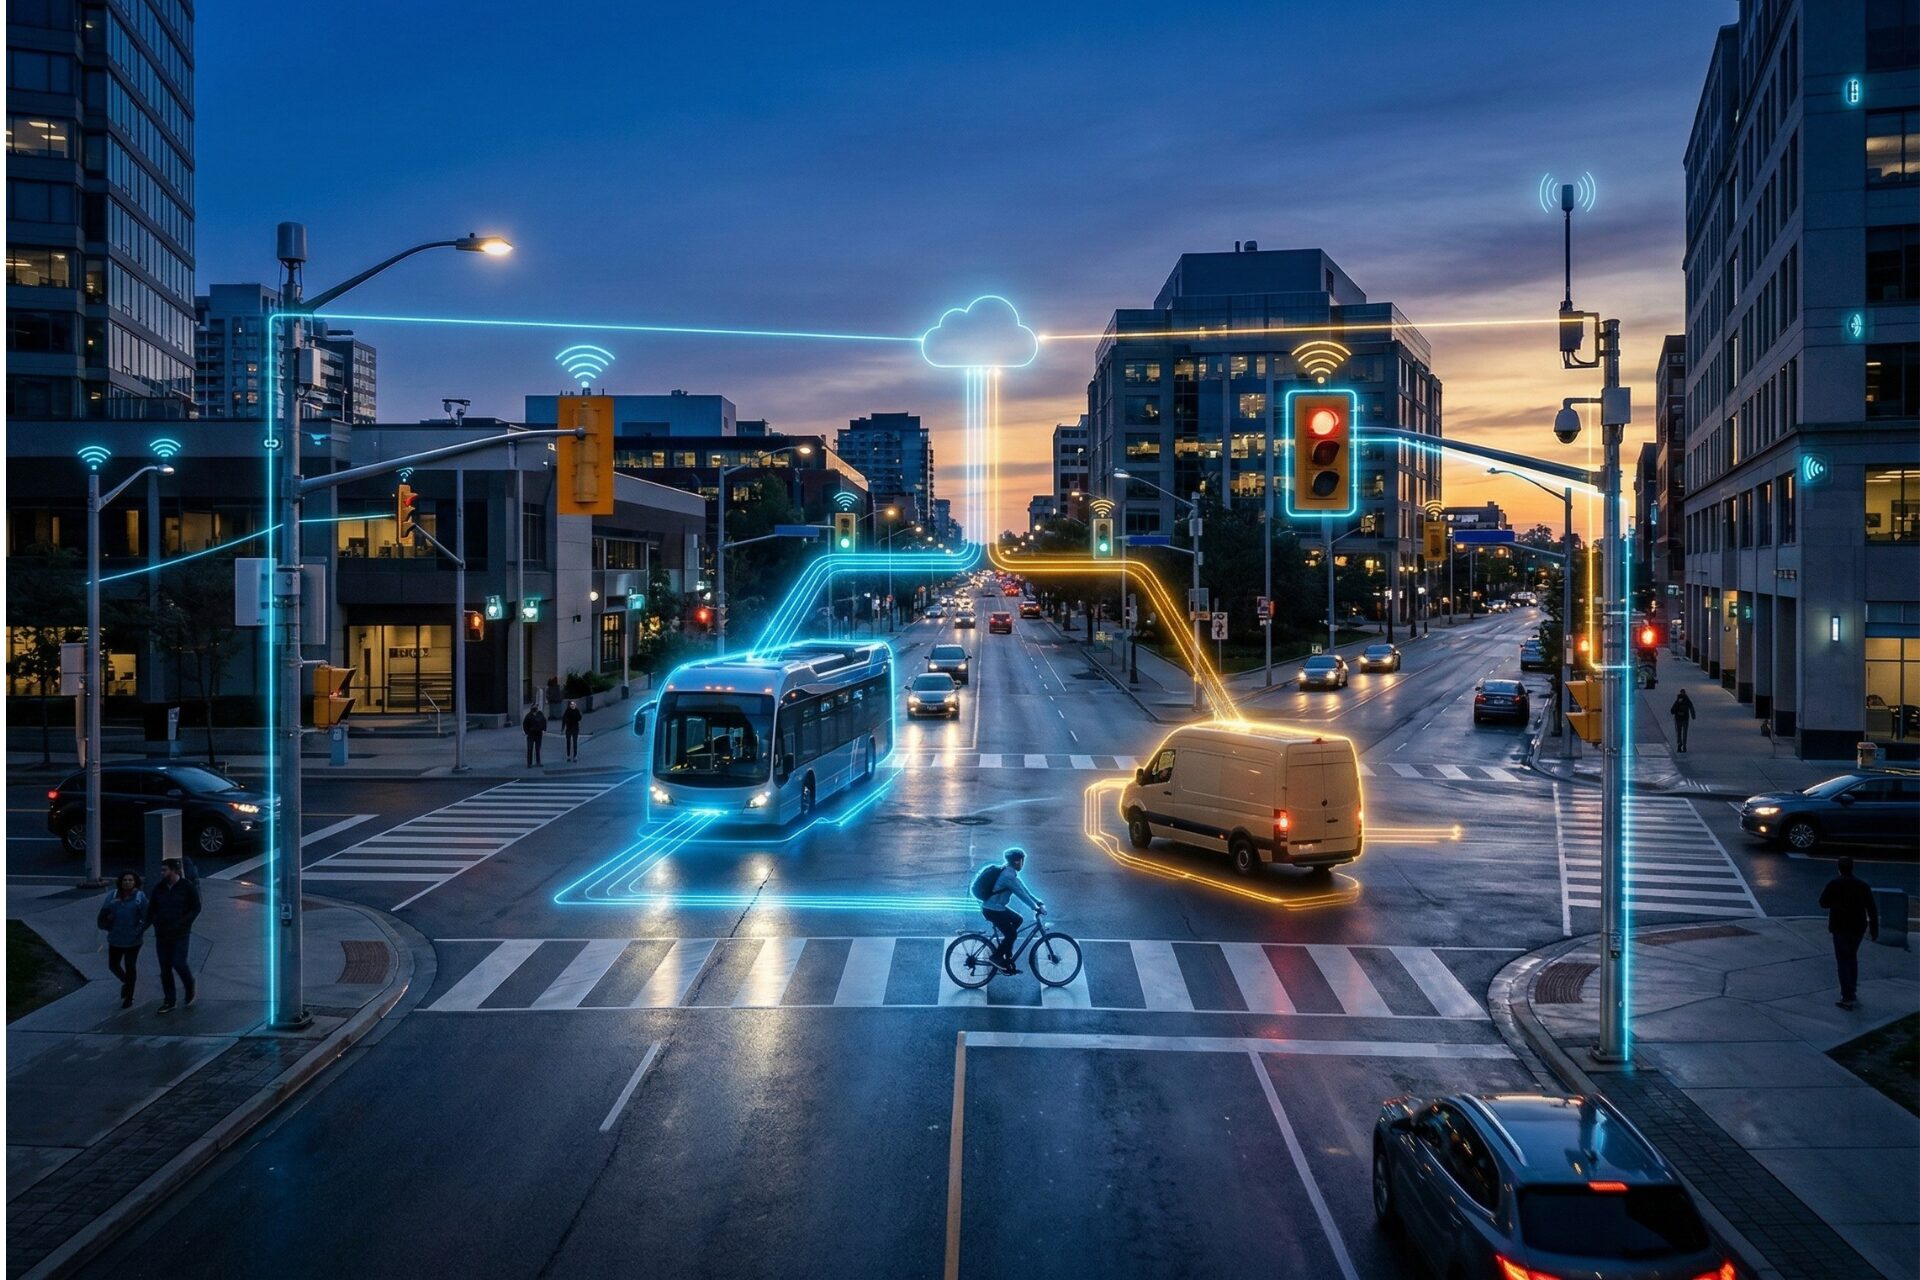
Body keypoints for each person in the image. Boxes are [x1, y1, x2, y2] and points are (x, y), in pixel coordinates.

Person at [1819, 855, 1879, 1010]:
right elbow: (1872, 909)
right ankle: (1852, 989)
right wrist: (1874, 929)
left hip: (1840, 926)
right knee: (1852, 957)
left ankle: (1847, 996)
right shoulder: (1862, 885)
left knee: (1842, 961)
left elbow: (1823, 903)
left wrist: (1836, 903)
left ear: (1839, 868)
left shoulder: (1834, 884)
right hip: (1858, 926)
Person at [146, 857, 201, 1012]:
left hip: (180, 933)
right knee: (165, 968)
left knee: (179, 962)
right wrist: (151, 923)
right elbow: (152, 909)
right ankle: (170, 1000)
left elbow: (196, 907)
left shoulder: (186, 887)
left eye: (165, 870)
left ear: (174, 870)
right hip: (162, 933)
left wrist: (185, 922)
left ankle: (189, 985)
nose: (162, 873)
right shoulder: (159, 889)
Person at [981, 848, 1044, 975]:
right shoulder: (1008, 876)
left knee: (1018, 920)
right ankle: (996, 957)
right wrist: (1035, 908)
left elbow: (1023, 889)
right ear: (1017, 861)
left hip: (996, 907)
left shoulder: (1009, 871)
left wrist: (1038, 901)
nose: (1022, 863)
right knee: (1011, 934)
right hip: (992, 910)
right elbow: (1020, 894)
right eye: (1021, 861)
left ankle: (1007, 953)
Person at [97, 872, 148, 1009]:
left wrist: (138, 931)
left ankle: (129, 996)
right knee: (113, 965)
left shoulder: (139, 898)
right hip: (116, 939)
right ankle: (127, 981)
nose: (127, 882)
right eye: (125, 880)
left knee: (130, 967)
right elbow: (102, 916)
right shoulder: (113, 896)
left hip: (133, 941)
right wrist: (108, 926)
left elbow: (147, 917)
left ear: (135, 882)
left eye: (130, 880)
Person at [1669, 688, 1697, 753]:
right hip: (1685, 719)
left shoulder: (1677, 700)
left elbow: (1672, 710)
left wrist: (1675, 712)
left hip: (1678, 719)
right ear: (1685, 693)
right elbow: (1691, 707)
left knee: (1678, 732)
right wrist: (1693, 716)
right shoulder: (1687, 700)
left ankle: (1679, 744)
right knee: (1685, 733)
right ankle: (1684, 746)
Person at [523, 703, 548, 767]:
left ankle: (538, 762)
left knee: (537, 748)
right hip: (531, 734)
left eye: (536, 706)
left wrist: (544, 730)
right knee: (530, 748)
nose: (536, 708)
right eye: (534, 706)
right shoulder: (528, 715)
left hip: (538, 734)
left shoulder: (540, 714)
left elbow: (544, 721)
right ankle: (529, 763)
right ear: (532, 708)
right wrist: (526, 732)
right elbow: (525, 724)